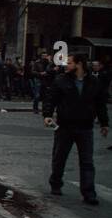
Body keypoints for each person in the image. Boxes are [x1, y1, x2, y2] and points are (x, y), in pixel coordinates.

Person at [43, 53, 108, 205]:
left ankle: (88, 193)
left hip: (85, 127)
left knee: (86, 161)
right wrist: (47, 115)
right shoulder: (61, 80)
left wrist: (104, 123)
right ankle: (56, 183)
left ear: (79, 64)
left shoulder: (93, 82)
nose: (67, 65)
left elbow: (100, 104)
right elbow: (51, 98)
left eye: (70, 63)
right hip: (65, 125)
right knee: (59, 157)